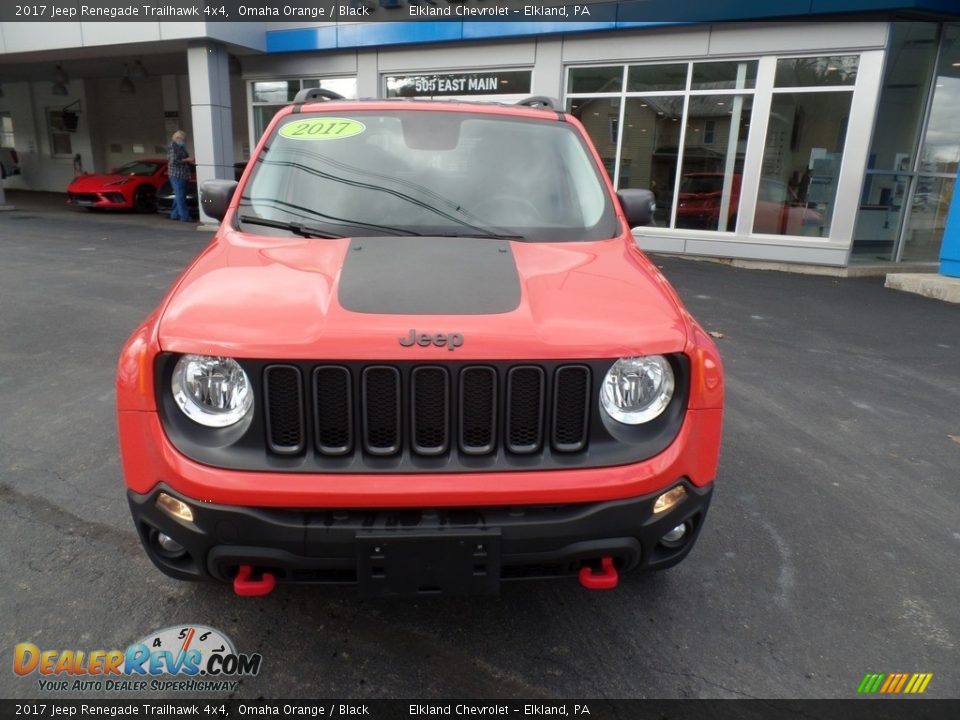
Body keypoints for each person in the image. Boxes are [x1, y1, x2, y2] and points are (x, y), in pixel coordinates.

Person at [167, 130, 191, 222]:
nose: (184, 141)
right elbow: (173, 161)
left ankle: (174, 214)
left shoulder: (180, 148)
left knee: (179, 196)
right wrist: (186, 160)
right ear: (177, 138)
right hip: (177, 175)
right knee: (180, 196)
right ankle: (184, 216)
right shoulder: (173, 148)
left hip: (183, 175)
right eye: (183, 139)